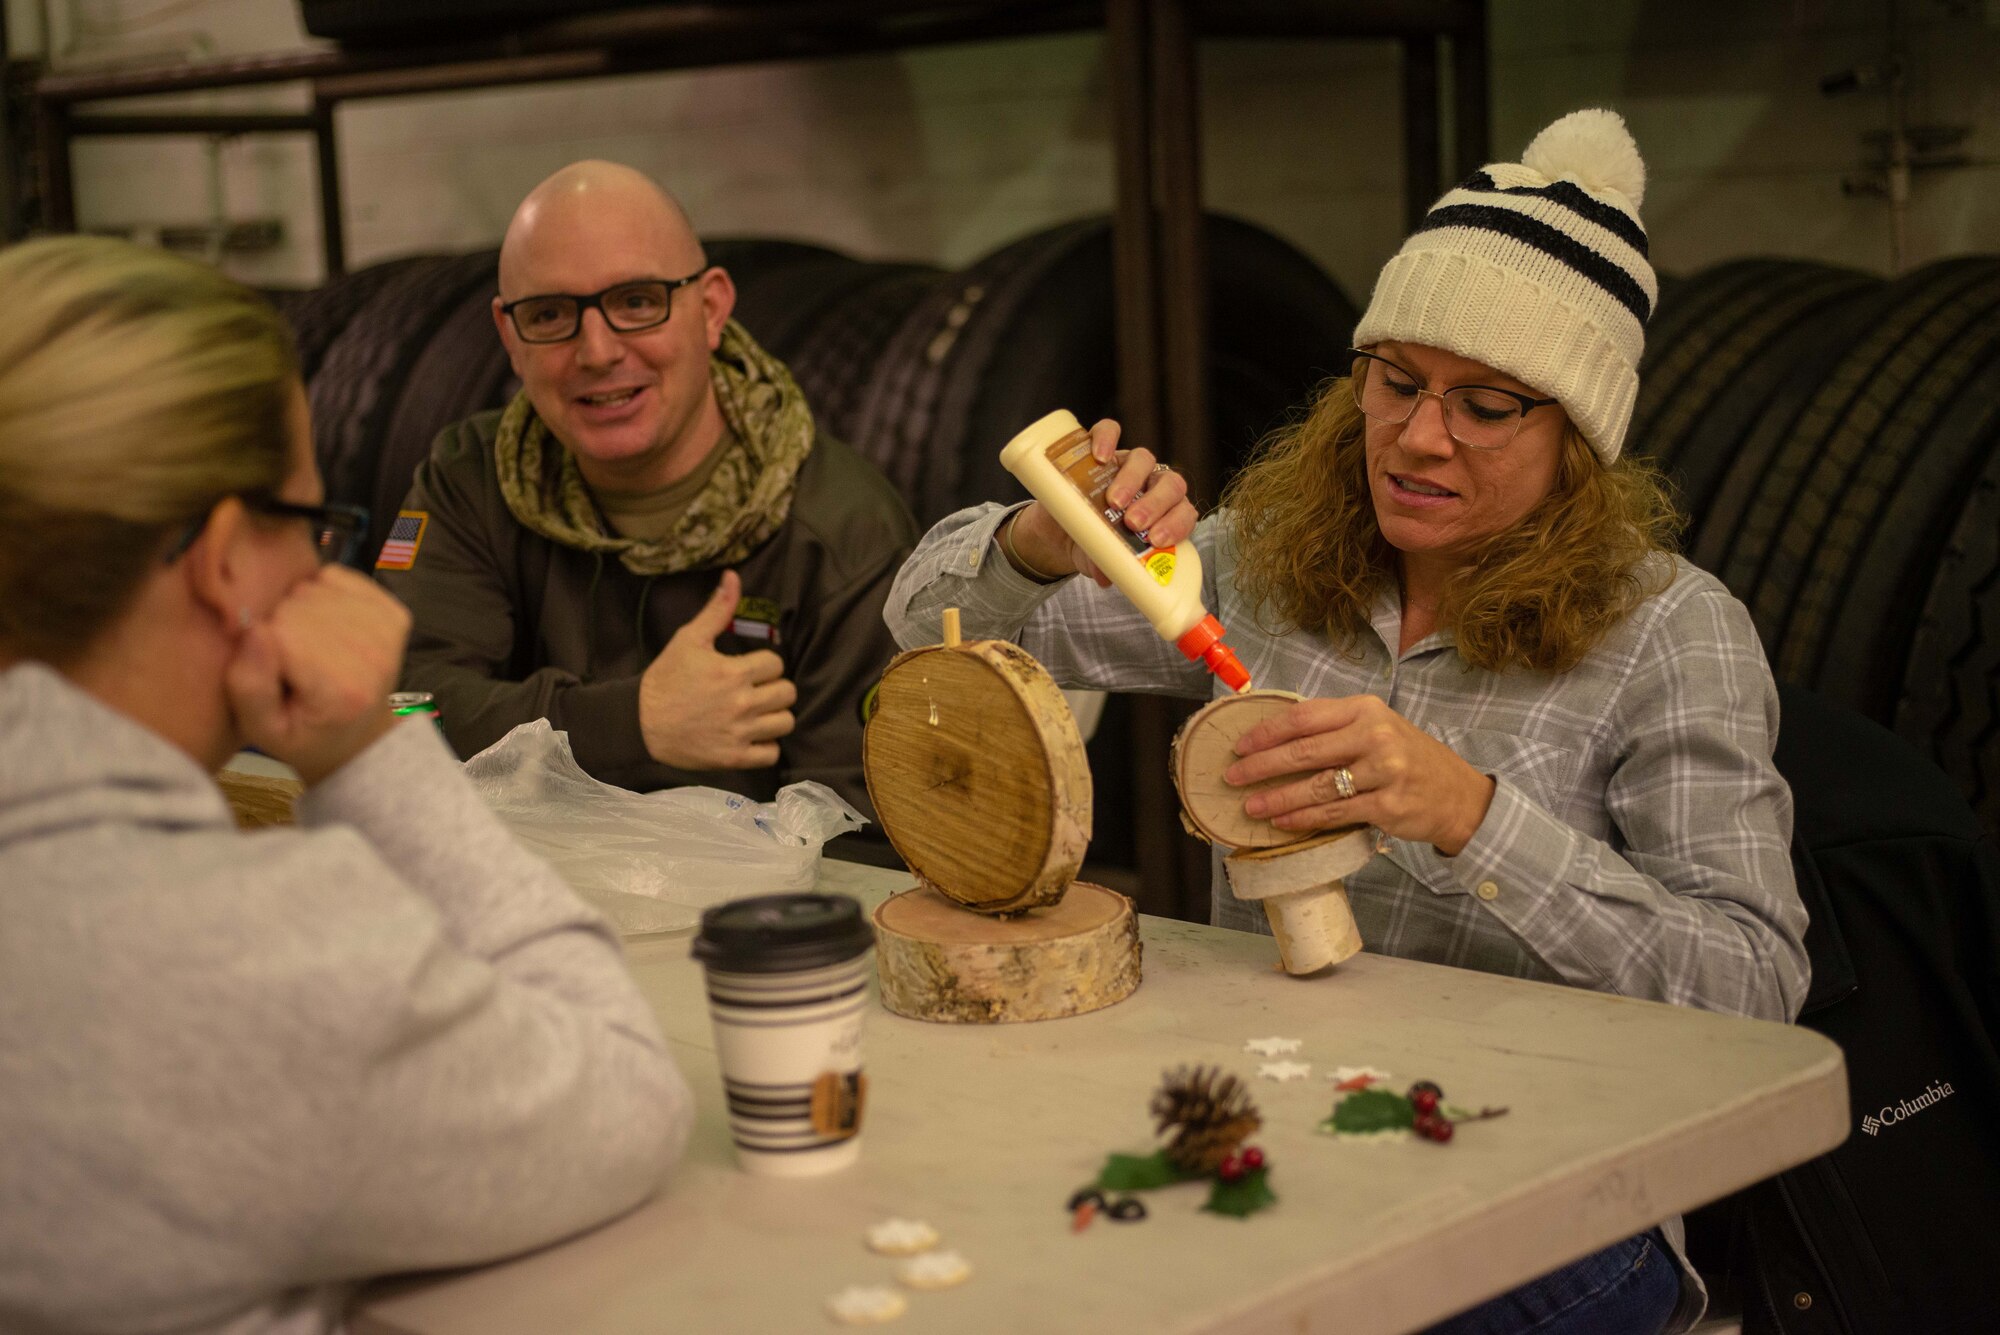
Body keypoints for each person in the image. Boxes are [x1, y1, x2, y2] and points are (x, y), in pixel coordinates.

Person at [886, 110, 1807, 1334]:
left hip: (1548, 1187)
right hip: (1292, 1128)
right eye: (1398, 382)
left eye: (1488, 406)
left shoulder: (1670, 635)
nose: (1419, 438)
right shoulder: (1266, 569)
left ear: (1577, 444)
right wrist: (1037, 546)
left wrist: (1469, 817)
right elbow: (930, 638)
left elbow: (1754, 990)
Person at [0, 237, 692, 1334]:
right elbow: (625, 1101)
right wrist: (369, 749)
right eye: (308, 526)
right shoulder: (245, 955)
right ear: (228, 559)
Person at [377, 160, 915, 830]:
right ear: (510, 338)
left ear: (711, 308)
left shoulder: (843, 533)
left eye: (636, 301)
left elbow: (857, 839)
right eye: (550, 314)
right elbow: (397, 712)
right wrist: (630, 725)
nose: (597, 351)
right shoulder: (468, 481)